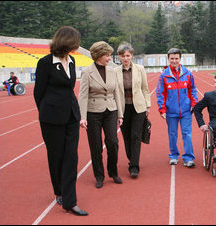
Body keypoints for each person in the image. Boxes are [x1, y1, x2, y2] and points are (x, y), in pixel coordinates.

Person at [33, 26, 88, 216]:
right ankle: (59, 191)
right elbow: (38, 93)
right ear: (65, 42)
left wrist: (77, 113)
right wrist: (48, 113)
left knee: (71, 157)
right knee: (56, 157)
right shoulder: (45, 63)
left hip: (71, 115)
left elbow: (69, 88)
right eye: (74, 43)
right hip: (51, 119)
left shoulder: (71, 61)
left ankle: (70, 201)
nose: (76, 47)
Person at [78, 41, 123, 189]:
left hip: (111, 110)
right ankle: (99, 175)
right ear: (98, 55)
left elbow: (116, 92)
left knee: (113, 142)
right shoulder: (87, 72)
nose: (110, 58)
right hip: (93, 113)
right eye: (107, 55)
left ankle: (113, 172)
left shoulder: (113, 71)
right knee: (96, 146)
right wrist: (82, 117)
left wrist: (120, 114)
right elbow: (83, 95)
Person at [156, 48, 198, 167]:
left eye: (176, 58)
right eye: (172, 58)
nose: (174, 61)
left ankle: (189, 158)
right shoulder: (164, 76)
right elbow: (160, 93)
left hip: (186, 110)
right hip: (171, 111)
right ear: (168, 59)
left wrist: (193, 104)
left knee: (187, 134)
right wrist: (162, 109)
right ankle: (174, 155)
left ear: (180, 59)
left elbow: (193, 90)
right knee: (173, 134)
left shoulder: (188, 74)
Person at [115, 42, 151, 178]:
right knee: (126, 136)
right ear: (119, 56)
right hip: (123, 108)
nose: (125, 58)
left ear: (132, 56)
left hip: (139, 107)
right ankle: (131, 158)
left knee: (136, 136)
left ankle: (134, 166)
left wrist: (148, 105)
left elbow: (145, 88)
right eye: (123, 56)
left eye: (128, 55)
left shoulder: (140, 69)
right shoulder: (115, 72)